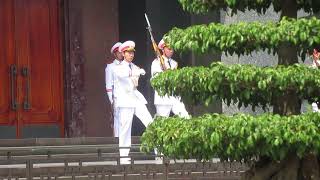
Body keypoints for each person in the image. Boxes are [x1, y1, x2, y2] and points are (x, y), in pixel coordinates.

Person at [113, 40, 153, 164]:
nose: (131, 55)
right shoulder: (118, 68)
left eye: (132, 53)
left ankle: (160, 150)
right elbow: (124, 75)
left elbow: (136, 77)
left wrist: (138, 71)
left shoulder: (134, 66)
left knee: (150, 122)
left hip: (136, 99)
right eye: (128, 53)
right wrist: (136, 72)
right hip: (125, 101)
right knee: (125, 129)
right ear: (123, 53)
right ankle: (124, 156)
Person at [151, 39, 190, 118]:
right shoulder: (156, 62)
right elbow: (154, 80)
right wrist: (164, 73)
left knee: (185, 117)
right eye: (169, 49)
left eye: (172, 49)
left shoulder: (174, 63)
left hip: (174, 96)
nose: (171, 51)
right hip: (163, 97)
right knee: (162, 124)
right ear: (163, 49)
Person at [105, 42, 123, 137]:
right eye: (119, 52)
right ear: (115, 54)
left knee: (126, 120)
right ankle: (117, 141)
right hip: (117, 97)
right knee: (118, 120)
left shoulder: (127, 65)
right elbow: (108, 86)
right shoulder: (110, 67)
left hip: (127, 96)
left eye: (122, 52)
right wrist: (112, 101)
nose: (121, 54)